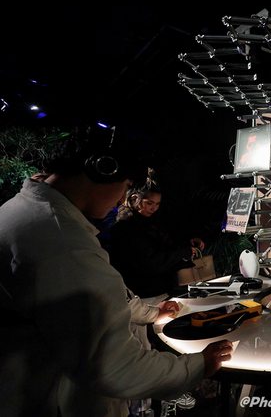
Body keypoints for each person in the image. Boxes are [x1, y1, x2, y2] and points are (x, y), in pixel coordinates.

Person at [0, 126, 232, 417]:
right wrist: (197, 365)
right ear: (103, 169)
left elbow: (99, 298)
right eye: (126, 185)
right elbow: (115, 367)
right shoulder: (63, 244)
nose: (122, 197)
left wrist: (152, 313)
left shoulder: (18, 211)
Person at [108, 184, 205, 301]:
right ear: (134, 199)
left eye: (157, 204)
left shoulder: (149, 221)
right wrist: (182, 252)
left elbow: (164, 246)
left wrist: (186, 245)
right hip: (143, 294)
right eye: (149, 203)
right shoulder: (127, 227)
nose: (154, 208)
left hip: (159, 290)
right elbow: (151, 262)